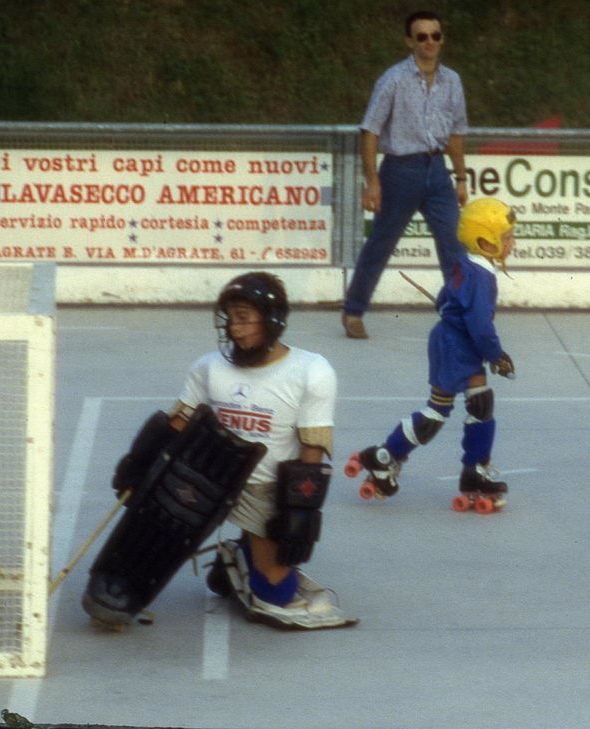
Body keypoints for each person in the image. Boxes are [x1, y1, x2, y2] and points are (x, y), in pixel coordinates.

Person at [181, 272, 357, 629]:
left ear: (273, 320)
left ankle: (239, 555)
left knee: (275, 595)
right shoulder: (208, 367)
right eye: (231, 318)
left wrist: (298, 515)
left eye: (245, 318)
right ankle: (244, 550)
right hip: (212, 482)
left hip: (266, 489)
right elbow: (177, 424)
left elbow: (312, 449)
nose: (235, 329)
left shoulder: (311, 370)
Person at [346, 198, 516, 512]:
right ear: (486, 241)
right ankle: (385, 457)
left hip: (452, 340)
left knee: (479, 402)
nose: (512, 244)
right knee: (438, 412)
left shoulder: (466, 263)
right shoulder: (483, 277)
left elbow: (445, 296)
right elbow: (479, 325)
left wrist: (449, 309)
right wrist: (496, 354)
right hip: (457, 345)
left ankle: (473, 471)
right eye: (506, 238)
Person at [341, 10, 470, 340]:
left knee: (454, 245)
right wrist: (373, 181)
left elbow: (456, 134)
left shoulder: (452, 81)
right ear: (410, 41)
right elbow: (370, 130)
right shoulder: (393, 79)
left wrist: (460, 178)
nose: (430, 42)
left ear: (442, 39)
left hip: (437, 170)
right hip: (401, 171)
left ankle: (463, 314)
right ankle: (353, 311)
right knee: (381, 243)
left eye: (435, 35)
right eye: (422, 36)